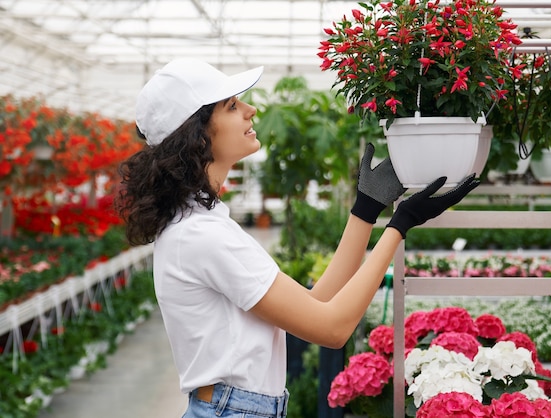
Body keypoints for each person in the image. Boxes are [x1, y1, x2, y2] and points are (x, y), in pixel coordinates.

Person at [116, 58, 479, 418]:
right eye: (231, 105)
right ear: (196, 134)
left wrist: (366, 212)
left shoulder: (203, 222)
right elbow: (332, 328)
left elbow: (315, 304)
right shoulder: (201, 234)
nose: (250, 109)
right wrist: (401, 224)